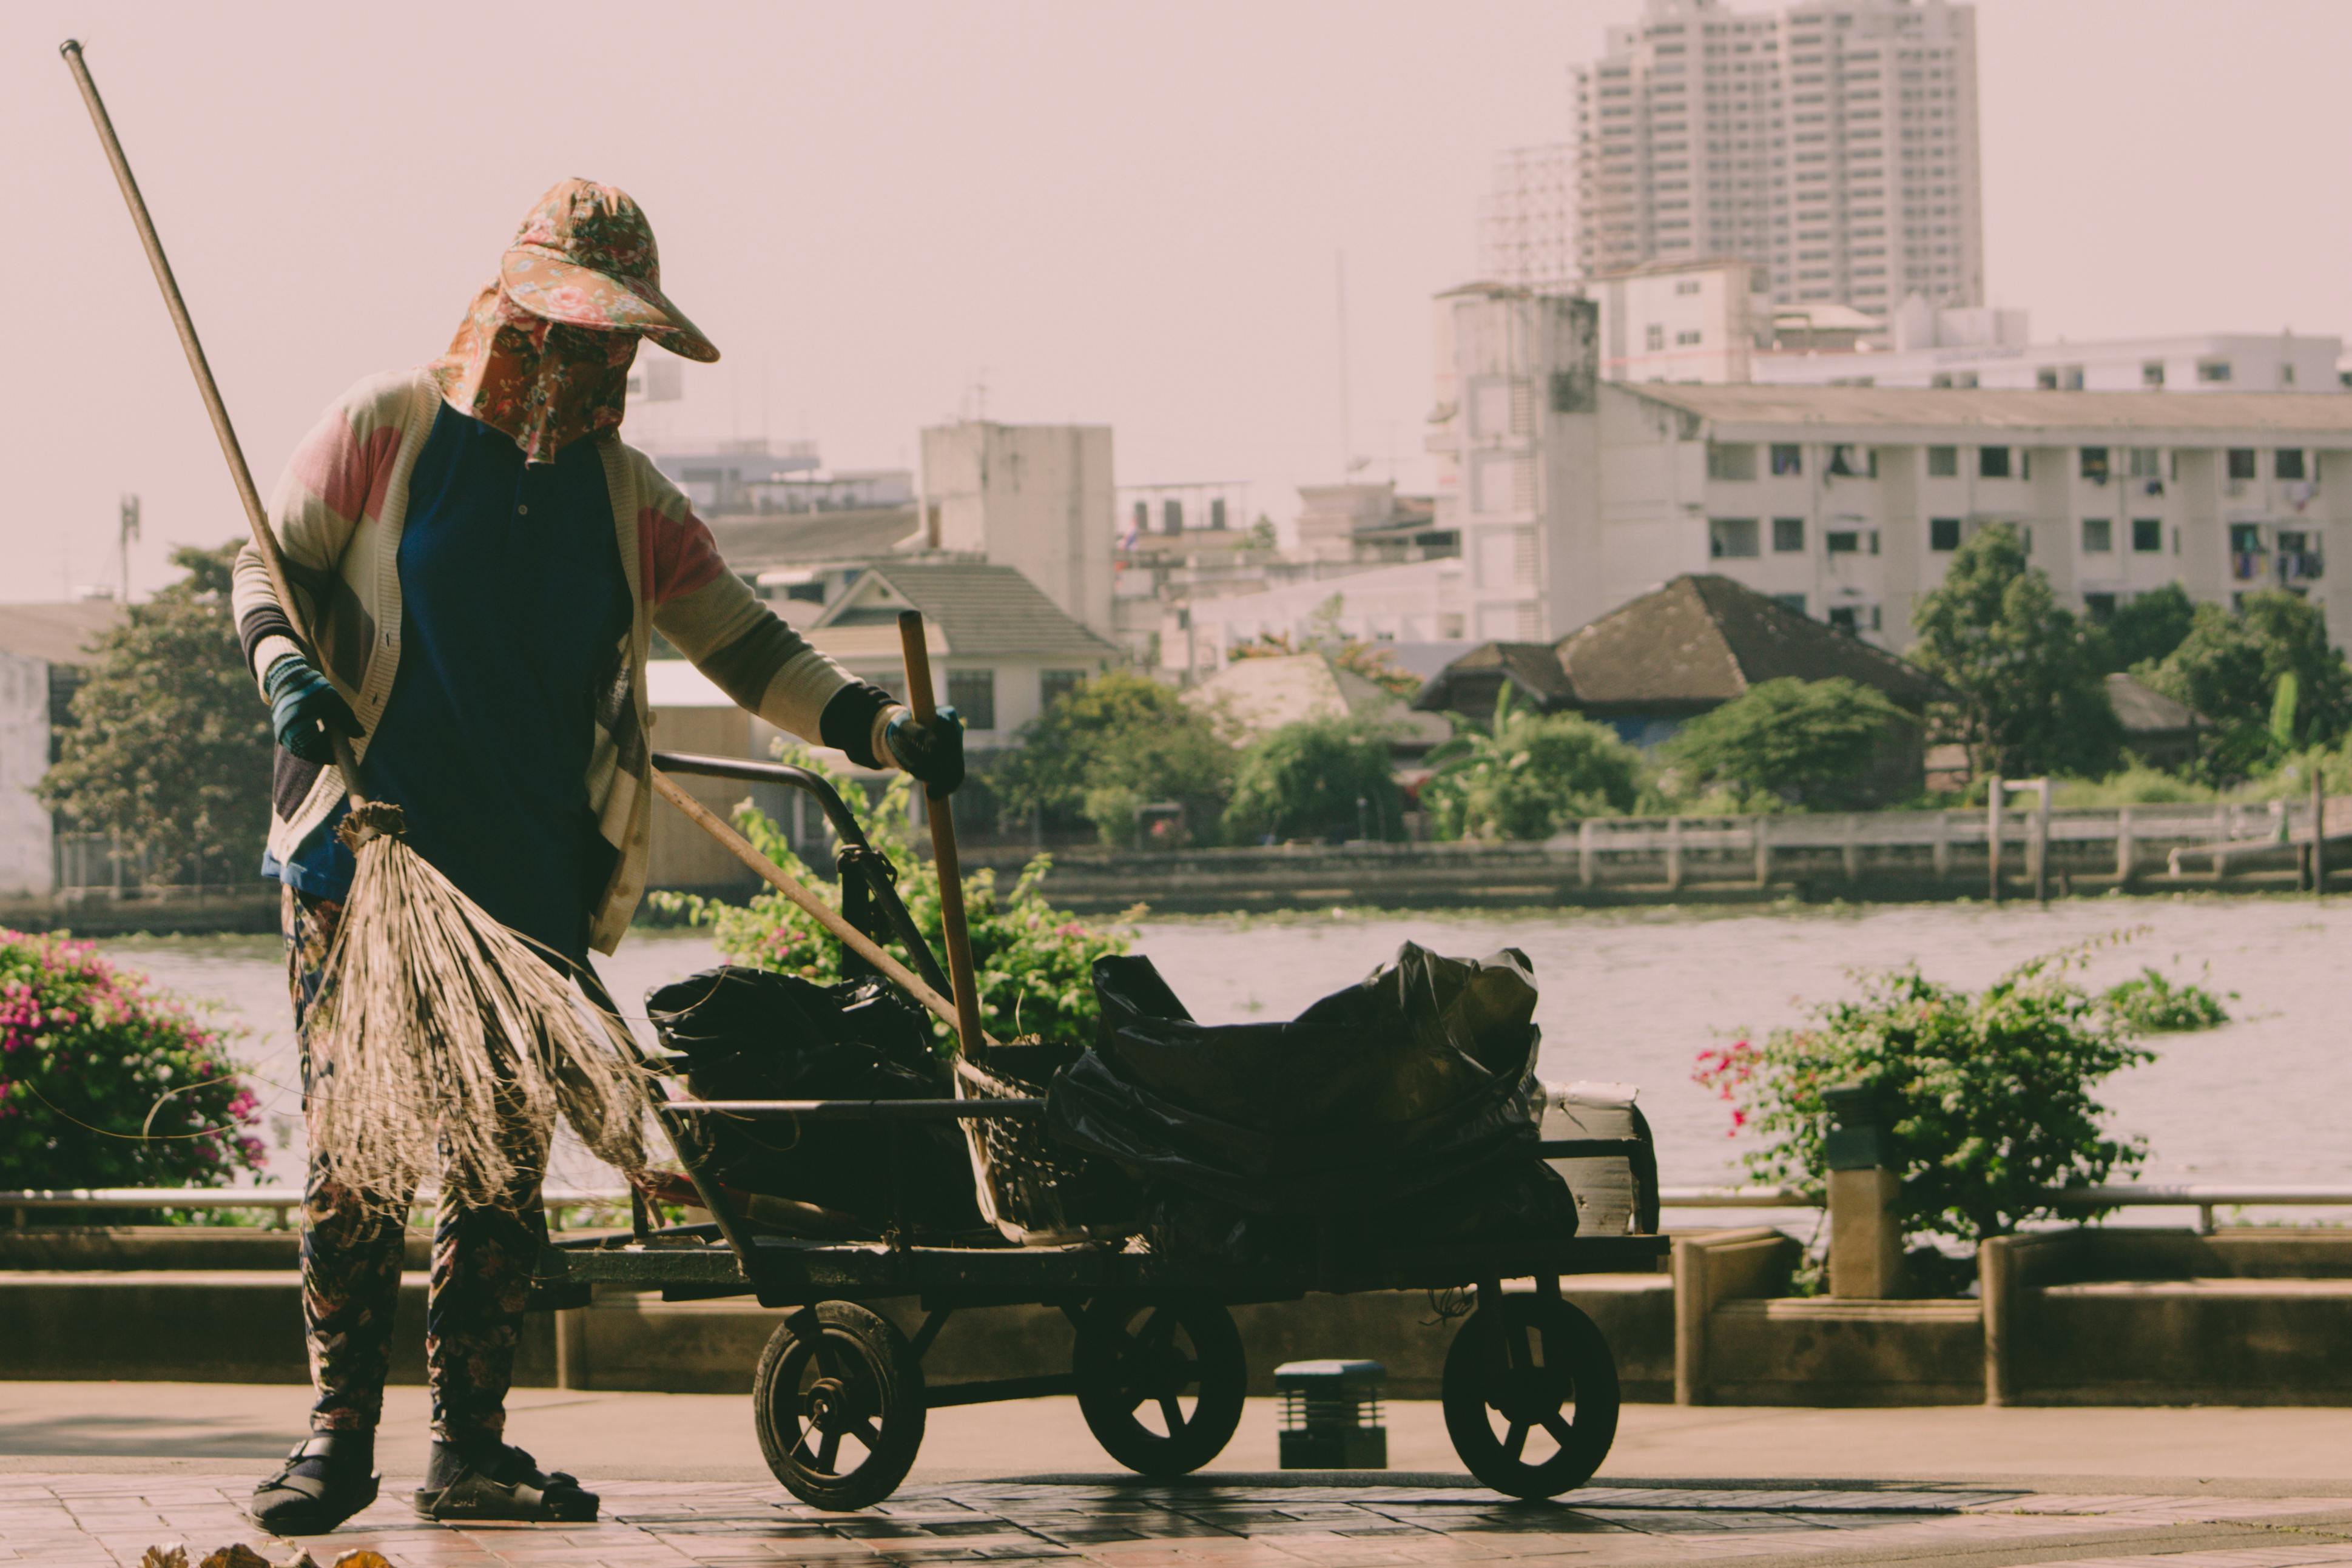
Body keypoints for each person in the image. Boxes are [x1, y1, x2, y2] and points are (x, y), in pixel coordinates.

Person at [235, 180, 963, 1533]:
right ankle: (337, 1437)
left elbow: (744, 644)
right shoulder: (385, 430)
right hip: (366, 859)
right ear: (509, 318)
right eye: (574, 334)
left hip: (528, 876)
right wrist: (287, 672)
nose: (596, 364)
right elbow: (267, 567)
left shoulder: (626, 499)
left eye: (617, 342)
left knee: (501, 1165)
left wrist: (878, 729)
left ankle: (471, 1445)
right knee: (357, 1150)